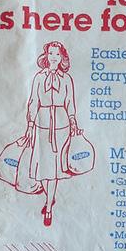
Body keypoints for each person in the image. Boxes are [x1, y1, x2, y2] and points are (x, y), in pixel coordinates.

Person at [20, 41, 81, 226]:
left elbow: (70, 101)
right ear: (46, 56)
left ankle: (48, 208)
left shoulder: (67, 79)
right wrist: (30, 124)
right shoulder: (39, 77)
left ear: (62, 57)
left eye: (57, 54)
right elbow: (33, 101)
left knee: (53, 170)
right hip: (42, 124)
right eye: (51, 53)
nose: (54, 57)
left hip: (61, 126)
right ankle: (50, 196)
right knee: (44, 169)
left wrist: (73, 121)